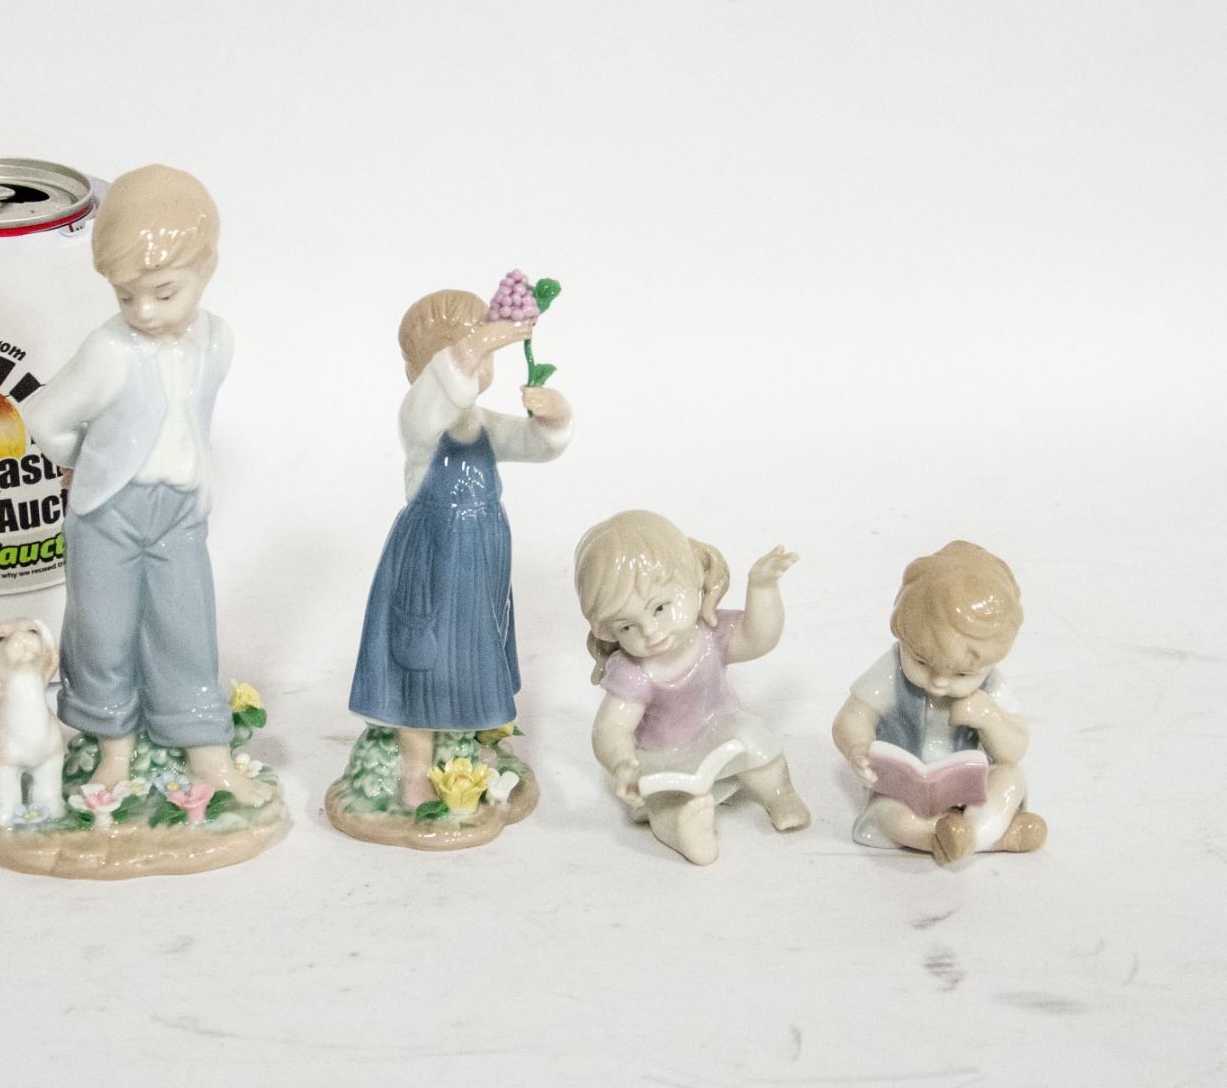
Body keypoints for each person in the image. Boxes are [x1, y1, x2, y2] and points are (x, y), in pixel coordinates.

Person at [21, 165, 269, 804]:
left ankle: (205, 752)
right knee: (103, 632)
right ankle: (112, 750)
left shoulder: (217, 342)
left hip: (179, 509)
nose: (145, 311)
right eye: (127, 297)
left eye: (163, 292)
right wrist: (82, 464)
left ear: (206, 269)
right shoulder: (109, 352)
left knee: (187, 628)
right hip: (110, 513)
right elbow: (43, 417)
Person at [347, 288, 573, 810]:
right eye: (460, 353)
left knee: (476, 650)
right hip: (432, 551)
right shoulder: (419, 416)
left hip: (481, 550)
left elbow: (534, 444)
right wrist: (480, 341)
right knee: (419, 658)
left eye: (484, 353)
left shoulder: (482, 423)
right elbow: (439, 391)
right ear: (420, 370)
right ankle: (415, 767)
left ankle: (471, 739)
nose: (475, 361)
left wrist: (554, 417)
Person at [575, 510, 810, 865]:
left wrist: (762, 587)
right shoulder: (633, 672)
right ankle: (683, 827)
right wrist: (622, 762)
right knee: (666, 799)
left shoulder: (710, 633)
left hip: (720, 729)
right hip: (663, 754)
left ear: (695, 577)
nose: (650, 631)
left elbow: (758, 638)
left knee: (753, 738)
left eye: (659, 608)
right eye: (627, 627)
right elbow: (611, 728)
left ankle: (780, 793)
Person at [831, 540, 1047, 865]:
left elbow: (1014, 750)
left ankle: (970, 835)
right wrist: (857, 748)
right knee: (894, 817)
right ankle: (971, 836)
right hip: (905, 794)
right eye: (921, 662)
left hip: (971, 789)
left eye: (961, 674)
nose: (939, 682)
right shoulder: (891, 670)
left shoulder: (991, 685)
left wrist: (991, 718)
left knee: (1010, 778)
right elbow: (851, 718)